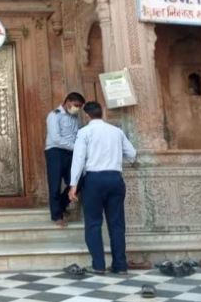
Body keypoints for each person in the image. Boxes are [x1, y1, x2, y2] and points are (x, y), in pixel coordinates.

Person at [68, 101, 137, 275]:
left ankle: (98, 265)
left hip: (94, 180)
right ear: (102, 113)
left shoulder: (84, 132)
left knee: (93, 223)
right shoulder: (117, 132)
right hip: (115, 179)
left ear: (86, 115)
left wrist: (73, 185)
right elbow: (132, 154)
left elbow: (78, 160)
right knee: (117, 224)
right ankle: (120, 266)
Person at [45, 92, 85, 227]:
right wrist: (76, 147)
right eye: (76, 105)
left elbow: (76, 134)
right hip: (55, 152)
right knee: (55, 184)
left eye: (79, 106)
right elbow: (56, 139)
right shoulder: (54, 115)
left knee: (77, 181)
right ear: (67, 102)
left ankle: (60, 206)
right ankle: (57, 217)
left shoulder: (74, 117)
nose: (77, 108)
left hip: (71, 152)